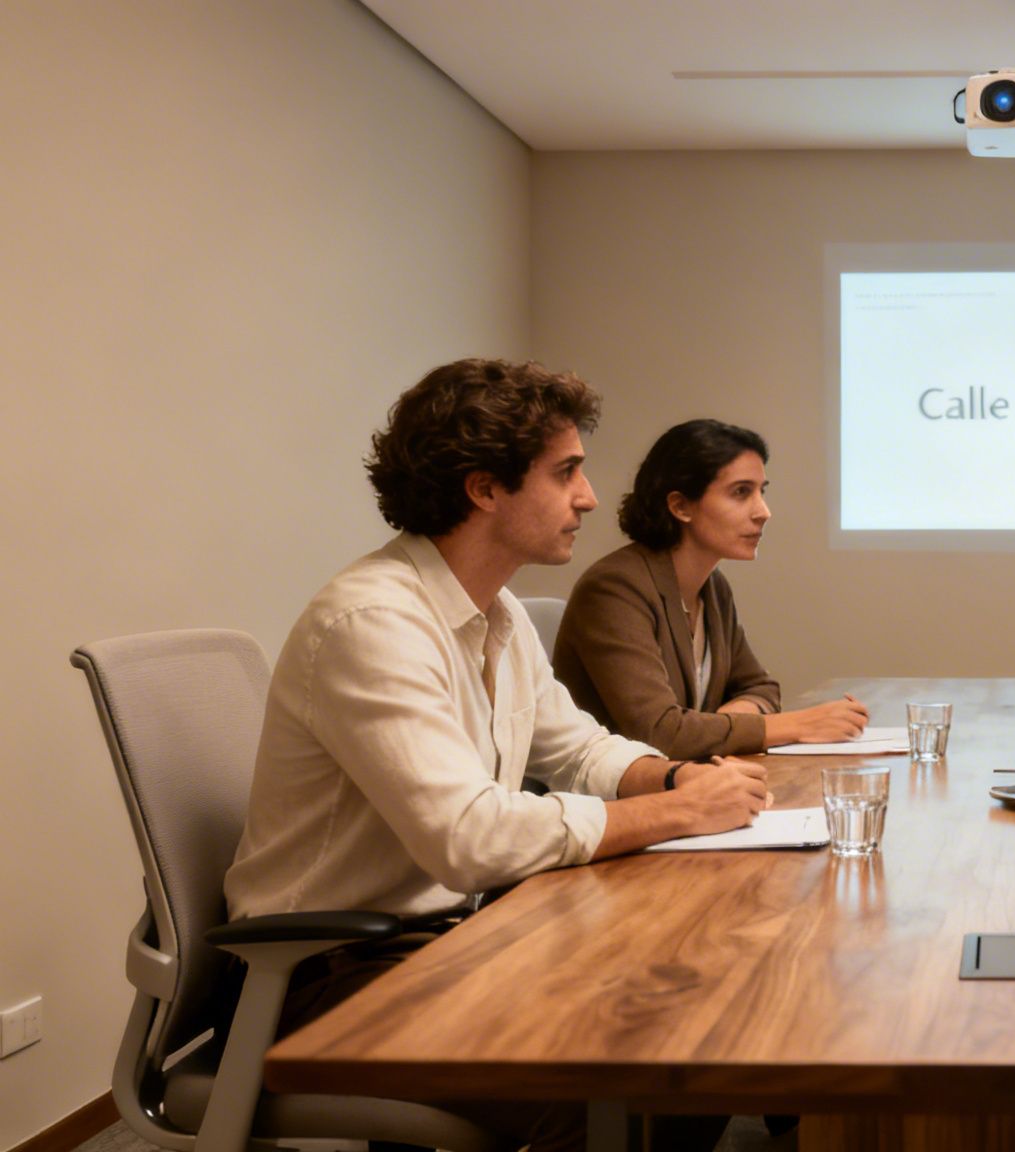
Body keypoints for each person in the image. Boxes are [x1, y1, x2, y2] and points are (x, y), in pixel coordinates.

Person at [226, 359, 760, 1151]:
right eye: (566, 473)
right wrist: (676, 810)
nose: (587, 496)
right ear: (484, 489)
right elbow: (469, 838)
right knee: (619, 1088)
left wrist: (681, 774)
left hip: (449, 938)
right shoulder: (372, 623)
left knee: (700, 1033)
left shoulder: (496, 609)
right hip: (329, 973)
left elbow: (578, 749)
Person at [553, 419, 868, 758]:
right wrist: (798, 725)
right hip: (613, 802)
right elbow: (660, 733)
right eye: (741, 492)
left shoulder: (713, 586)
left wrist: (708, 728)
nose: (763, 512)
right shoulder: (614, 589)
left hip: (690, 784)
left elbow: (760, 688)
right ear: (680, 506)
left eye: (762, 491)